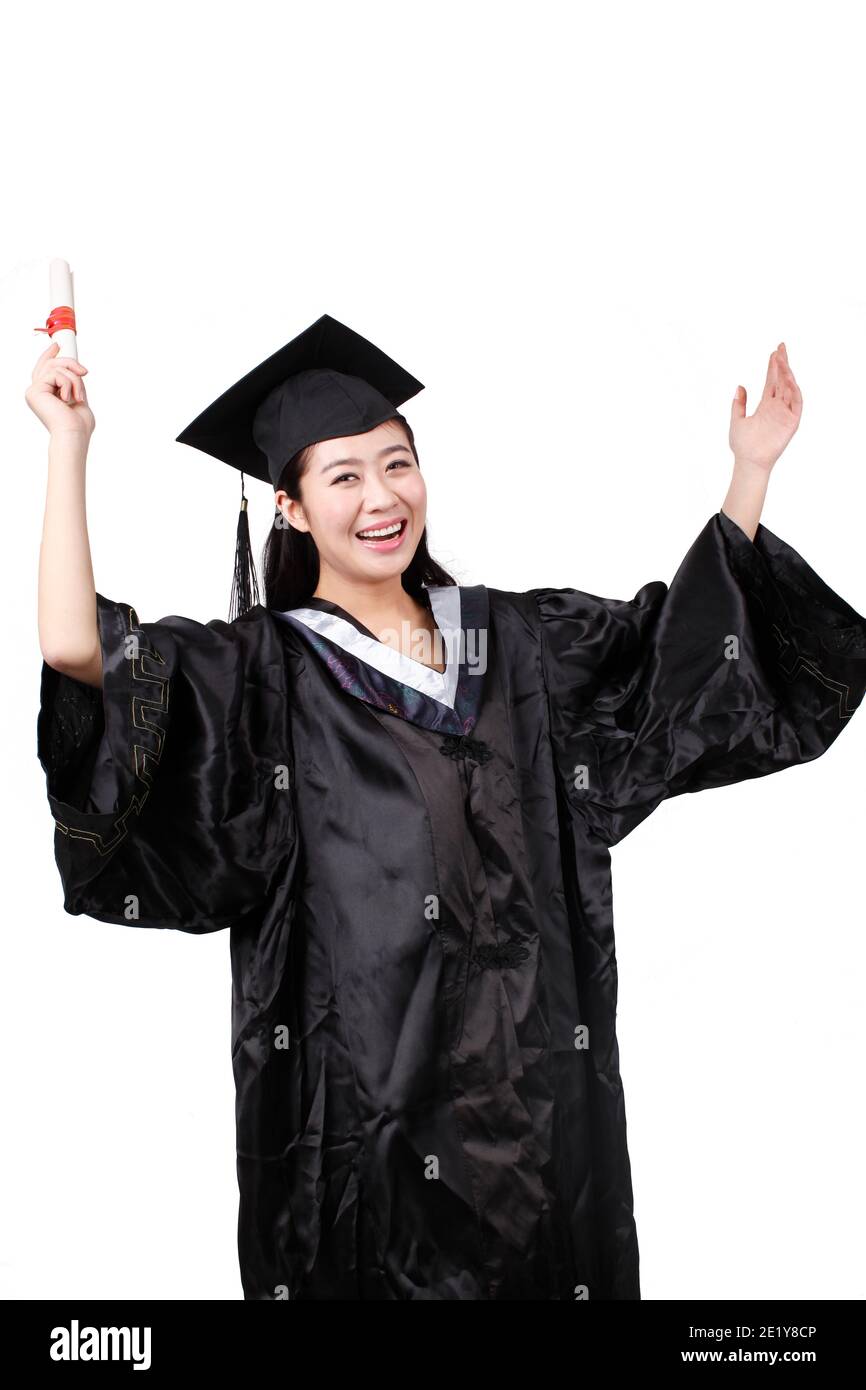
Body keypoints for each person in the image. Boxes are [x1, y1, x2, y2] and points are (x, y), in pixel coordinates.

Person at [29, 315, 866, 1301]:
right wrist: (69, 446)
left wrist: (749, 472)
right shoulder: (261, 674)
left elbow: (677, 672)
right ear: (289, 508)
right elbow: (81, 650)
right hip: (354, 1134)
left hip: (532, 1124)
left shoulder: (516, 643)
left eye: (397, 464)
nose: (382, 497)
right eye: (342, 476)